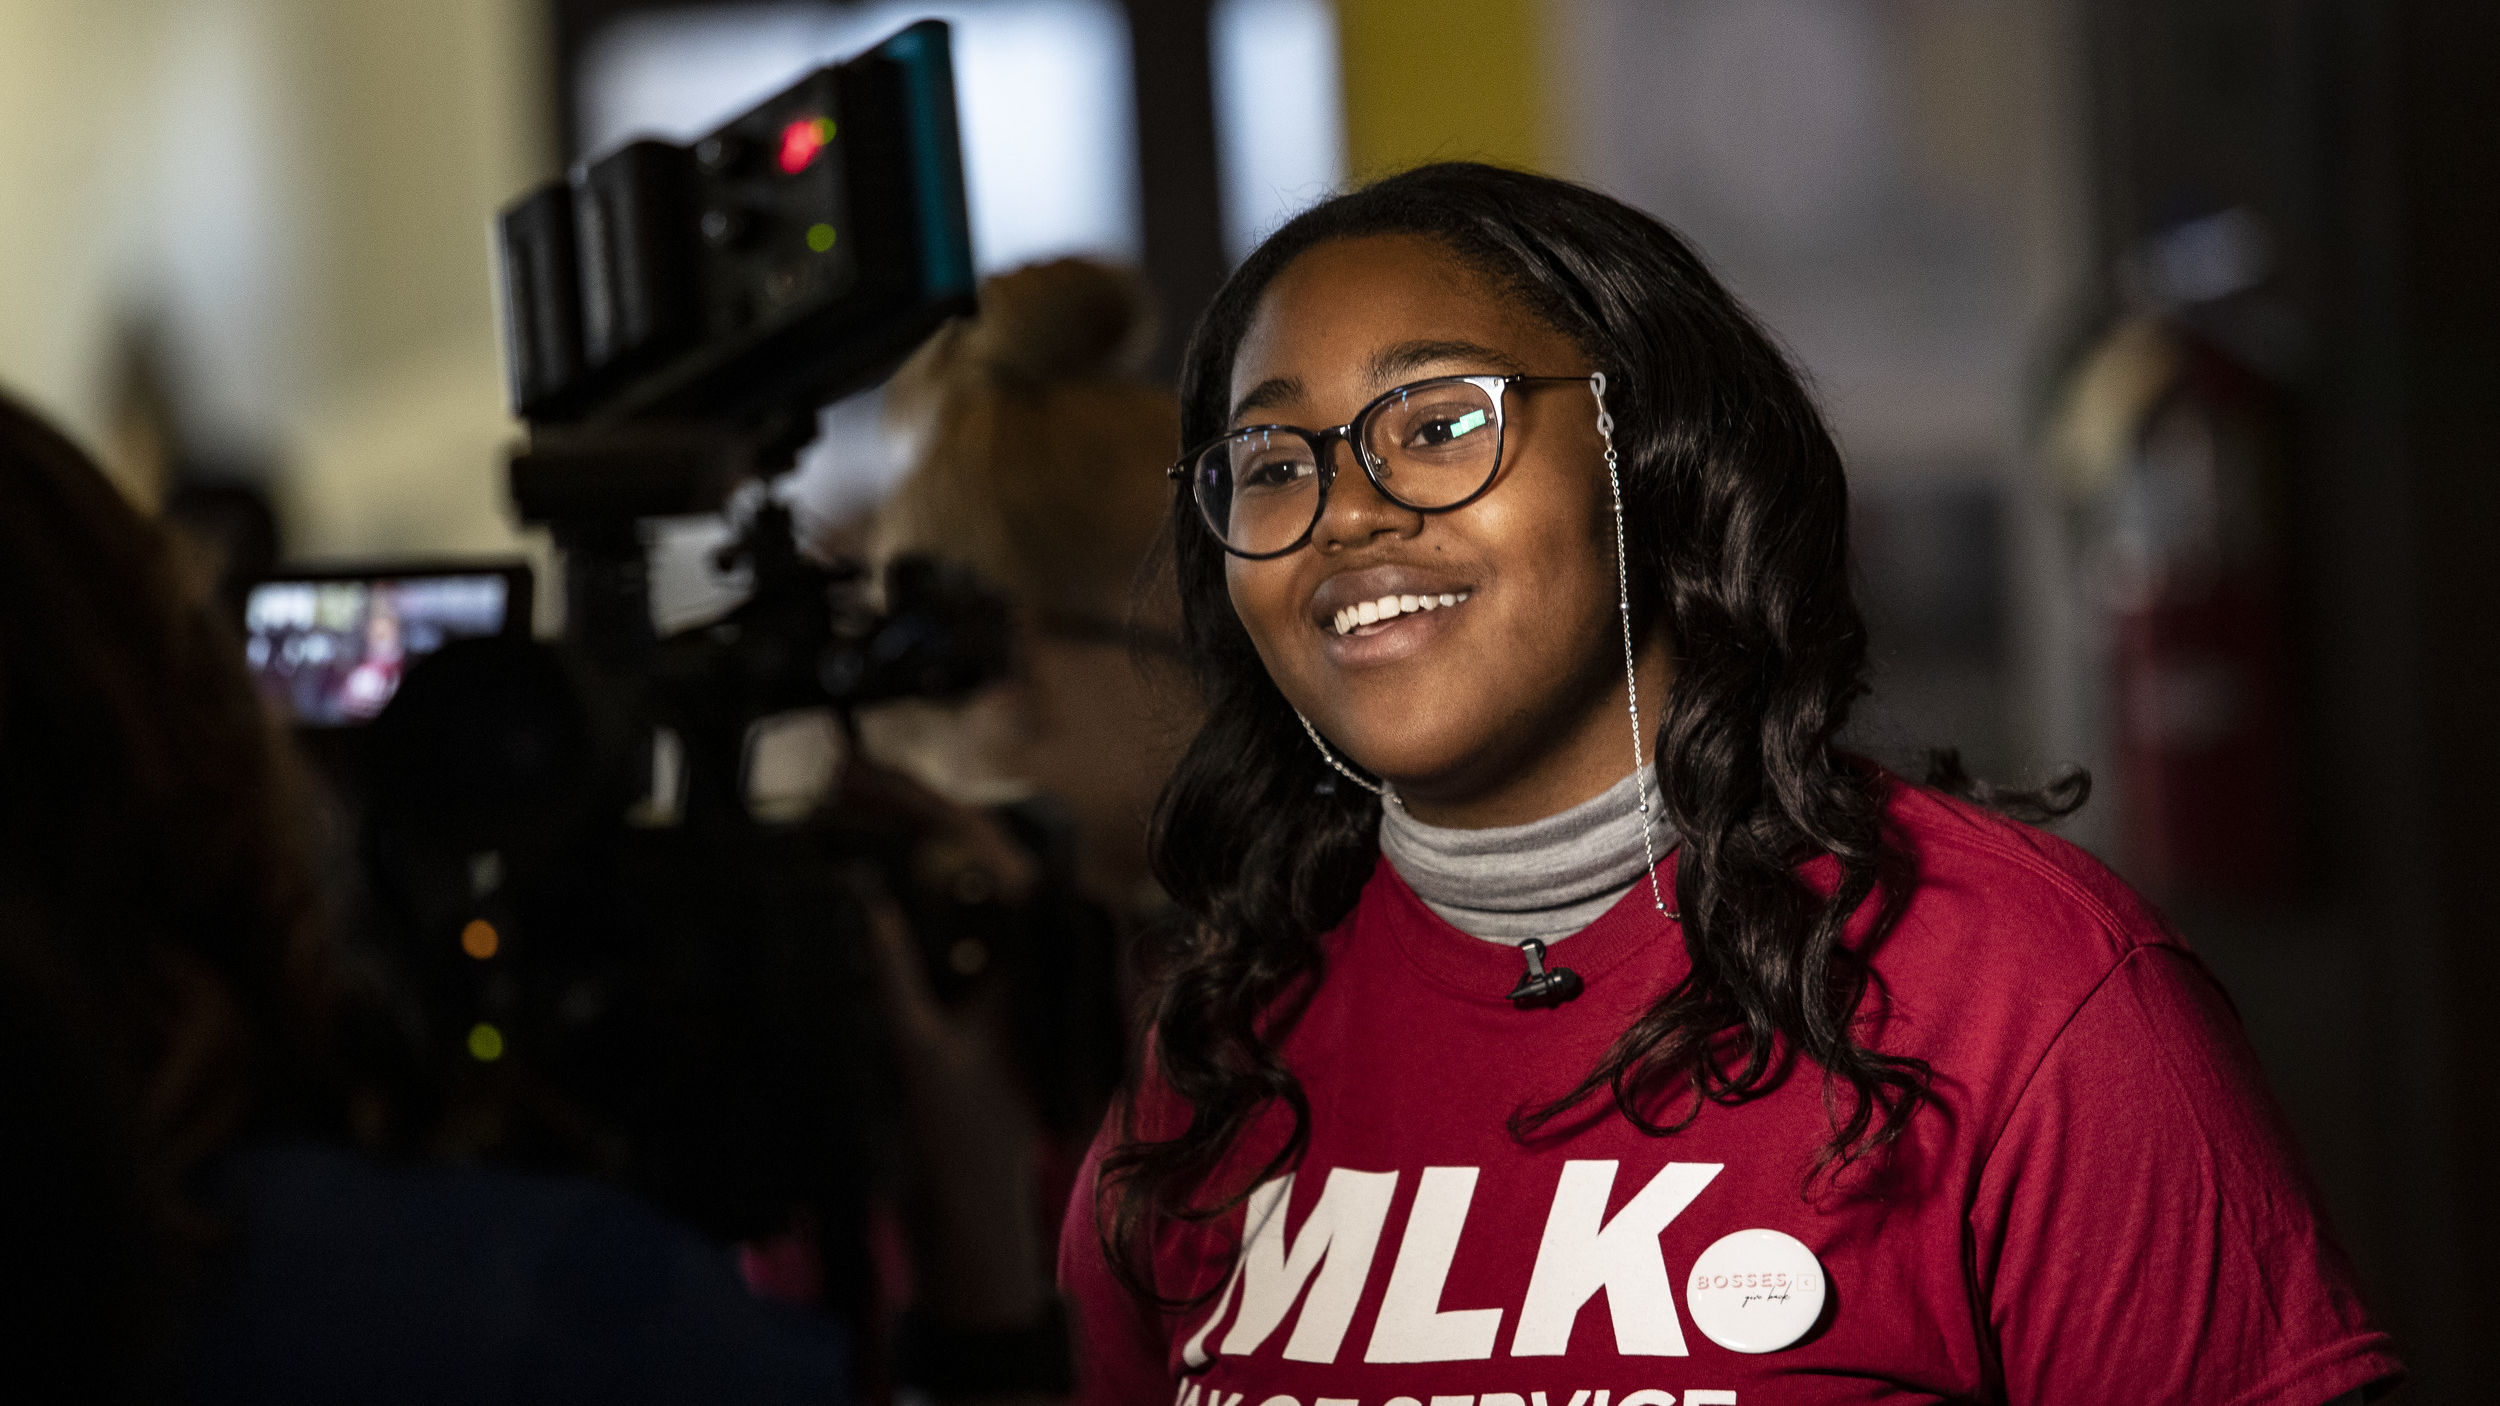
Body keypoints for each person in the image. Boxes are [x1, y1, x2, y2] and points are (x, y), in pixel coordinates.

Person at [1059, 164, 2398, 1405]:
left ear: (1651, 455)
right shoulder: (1215, 1052)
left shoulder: (2034, 997)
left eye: (1438, 422)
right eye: (1277, 462)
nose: (1347, 512)